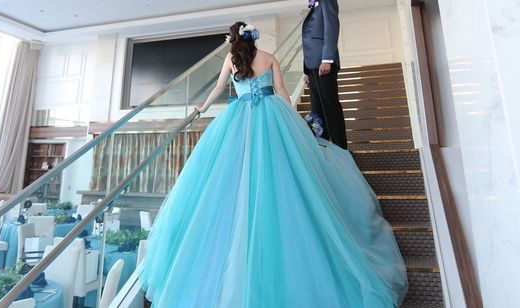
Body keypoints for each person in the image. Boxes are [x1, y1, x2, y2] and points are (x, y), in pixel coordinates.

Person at [139, 21, 407, 307]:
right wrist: (293, 121)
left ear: (234, 40)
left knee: (231, 181)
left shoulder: (231, 59)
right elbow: (281, 91)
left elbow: (218, 88)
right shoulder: (268, 58)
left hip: (238, 121)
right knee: (282, 176)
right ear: (254, 38)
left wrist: (202, 108)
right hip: (271, 117)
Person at [298, 0, 348, 149]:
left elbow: (331, 29)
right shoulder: (312, 2)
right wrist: (306, 70)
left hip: (323, 63)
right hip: (312, 66)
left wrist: (327, 59)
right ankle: (325, 148)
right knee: (317, 110)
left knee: (330, 107)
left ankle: (341, 149)